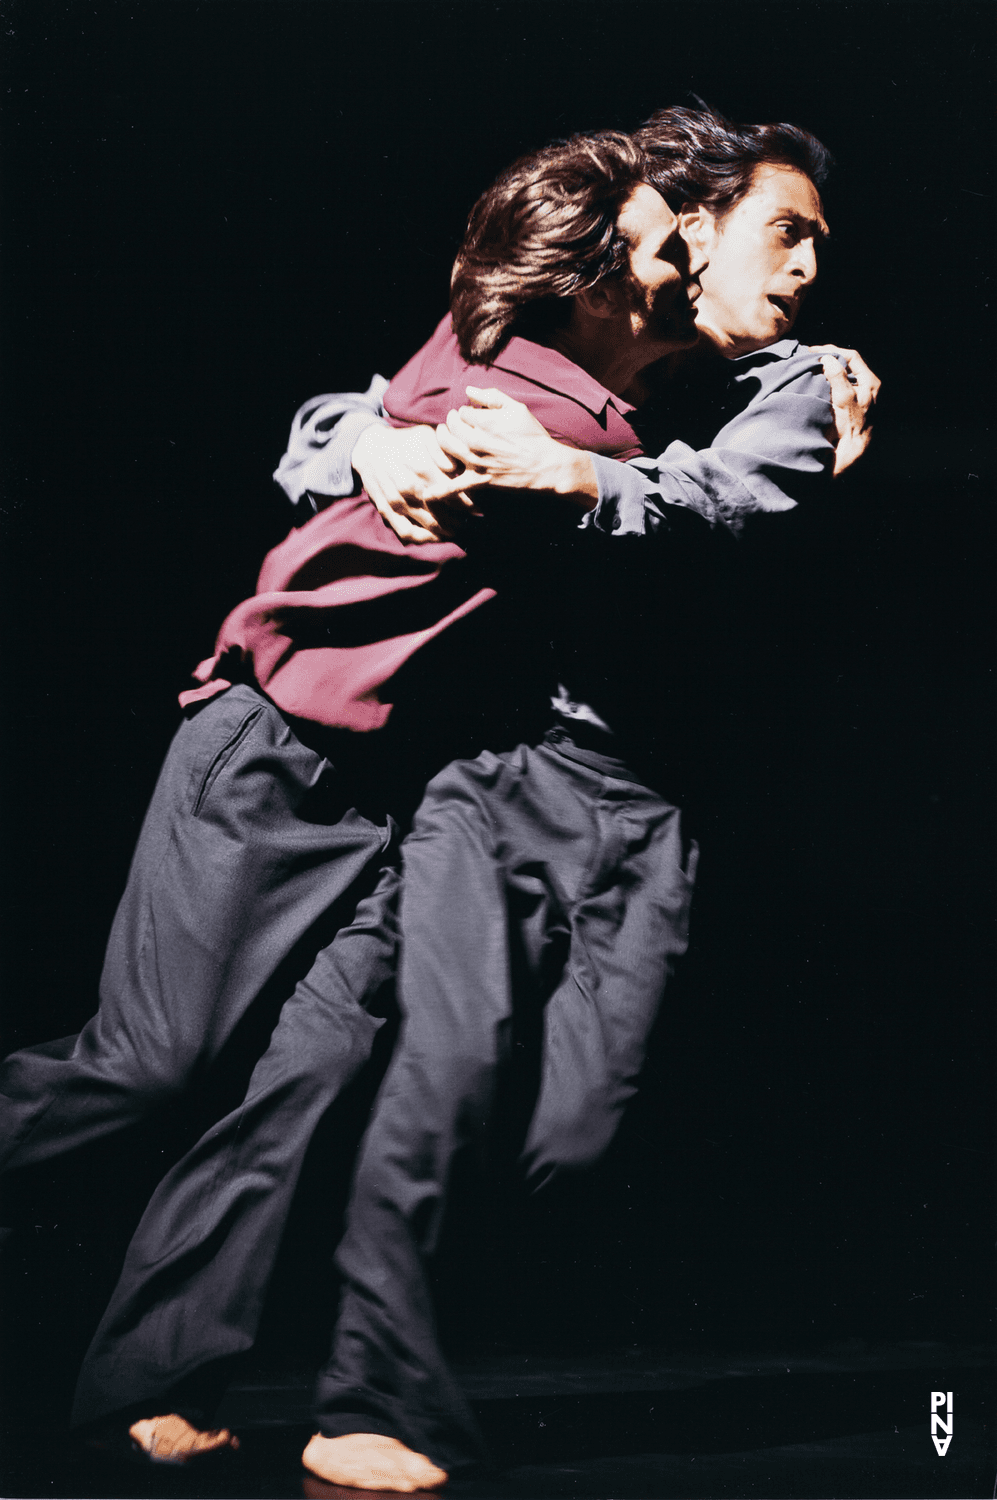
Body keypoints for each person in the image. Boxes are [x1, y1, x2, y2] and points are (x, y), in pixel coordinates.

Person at [260, 110, 878, 1490]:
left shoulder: (789, 391)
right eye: (785, 234)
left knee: (571, 1133)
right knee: (448, 1065)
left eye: (820, 252)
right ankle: (368, 1398)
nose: (805, 271)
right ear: (687, 230)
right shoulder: (574, 333)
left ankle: (362, 1295)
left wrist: (576, 477)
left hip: (651, 809)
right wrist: (371, 445)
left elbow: (720, 502)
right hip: (497, 762)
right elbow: (345, 415)